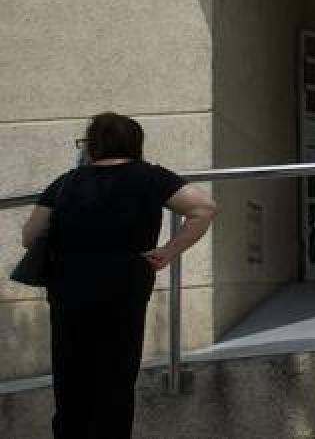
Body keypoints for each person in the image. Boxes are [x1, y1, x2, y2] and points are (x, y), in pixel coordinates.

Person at [21, 112, 217, 439]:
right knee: (116, 376)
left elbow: (30, 237)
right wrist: (168, 252)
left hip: (70, 286)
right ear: (135, 142)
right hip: (124, 285)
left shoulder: (67, 181)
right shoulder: (150, 177)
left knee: (71, 378)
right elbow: (203, 208)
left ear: (93, 145)